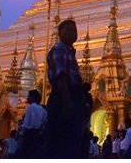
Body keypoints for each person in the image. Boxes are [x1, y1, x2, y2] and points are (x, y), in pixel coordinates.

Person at [44, 19, 88, 158]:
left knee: (71, 141)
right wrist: (67, 101)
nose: (73, 33)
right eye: (68, 30)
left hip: (72, 96)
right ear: (60, 33)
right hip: (64, 97)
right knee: (62, 142)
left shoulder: (69, 52)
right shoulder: (59, 49)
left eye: (74, 30)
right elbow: (61, 77)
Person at [17, 89, 47, 158]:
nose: (27, 98)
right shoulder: (43, 109)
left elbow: (26, 124)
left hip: (29, 134)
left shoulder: (30, 107)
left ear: (33, 98)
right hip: (39, 135)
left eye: (29, 96)